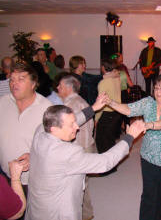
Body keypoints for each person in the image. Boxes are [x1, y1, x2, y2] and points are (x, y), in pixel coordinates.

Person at [25, 97, 145, 220]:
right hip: (57, 214)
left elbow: (70, 119)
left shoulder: (41, 130)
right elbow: (105, 162)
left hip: (35, 210)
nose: (77, 127)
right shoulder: (66, 153)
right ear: (55, 129)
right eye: (72, 125)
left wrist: (93, 108)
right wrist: (130, 137)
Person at [104, 73, 161, 220]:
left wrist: (147, 125)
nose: (158, 92)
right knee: (148, 194)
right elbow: (129, 109)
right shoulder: (148, 102)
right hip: (149, 156)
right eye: (156, 88)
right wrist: (111, 103)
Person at [0, 63, 52, 206]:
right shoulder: (3, 102)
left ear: (33, 83)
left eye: (21, 79)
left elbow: (56, 144)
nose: (14, 83)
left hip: (34, 180)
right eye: (12, 79)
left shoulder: (47, 109)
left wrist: (34, 155)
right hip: (5, 176)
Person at [57, 74, 95, 220]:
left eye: (60, 86)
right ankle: (87, 214)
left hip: (77, 150)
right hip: (86, 147)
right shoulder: (81, 101)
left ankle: (82, 215)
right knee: (82, 185)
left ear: (68, 87)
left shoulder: (69, 107)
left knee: (75, 187)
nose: (57, 88)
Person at [95, 59, 122, 168]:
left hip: (107, 113)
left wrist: (96, 118)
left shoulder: (104, 82)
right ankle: (113, 164)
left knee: (102, 141)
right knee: (110, 139)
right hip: (117, 112)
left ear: (104, 68)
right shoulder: (117, 78)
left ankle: (107, 167)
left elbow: (101, 102)